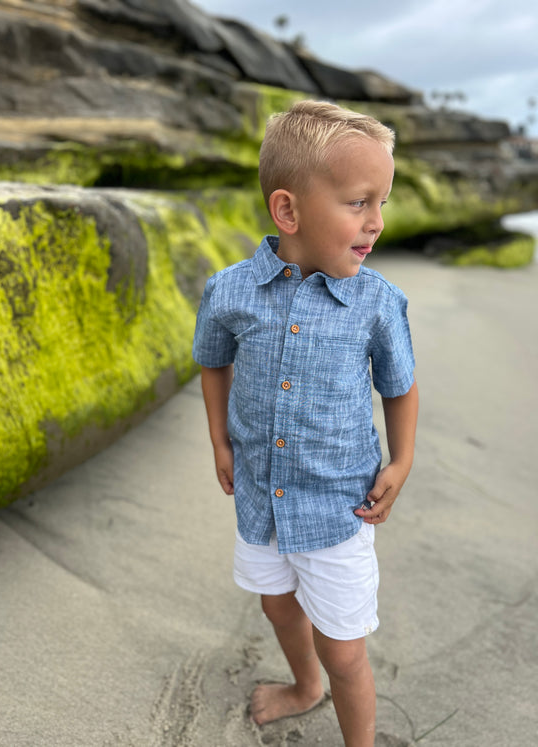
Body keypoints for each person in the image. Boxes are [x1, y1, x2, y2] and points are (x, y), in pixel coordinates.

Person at [192, 99, 418, 747]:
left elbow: (399, 387)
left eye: (383, 203)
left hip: (339, 509)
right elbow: (213, 363)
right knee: (277, 605)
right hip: (261, 498)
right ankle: (302, 685)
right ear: (288, 210)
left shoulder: (376, 302)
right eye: (358, 202)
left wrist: (401, 461)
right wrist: (218, 439)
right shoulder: (231, 291)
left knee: (345, 649)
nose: (375, 222)